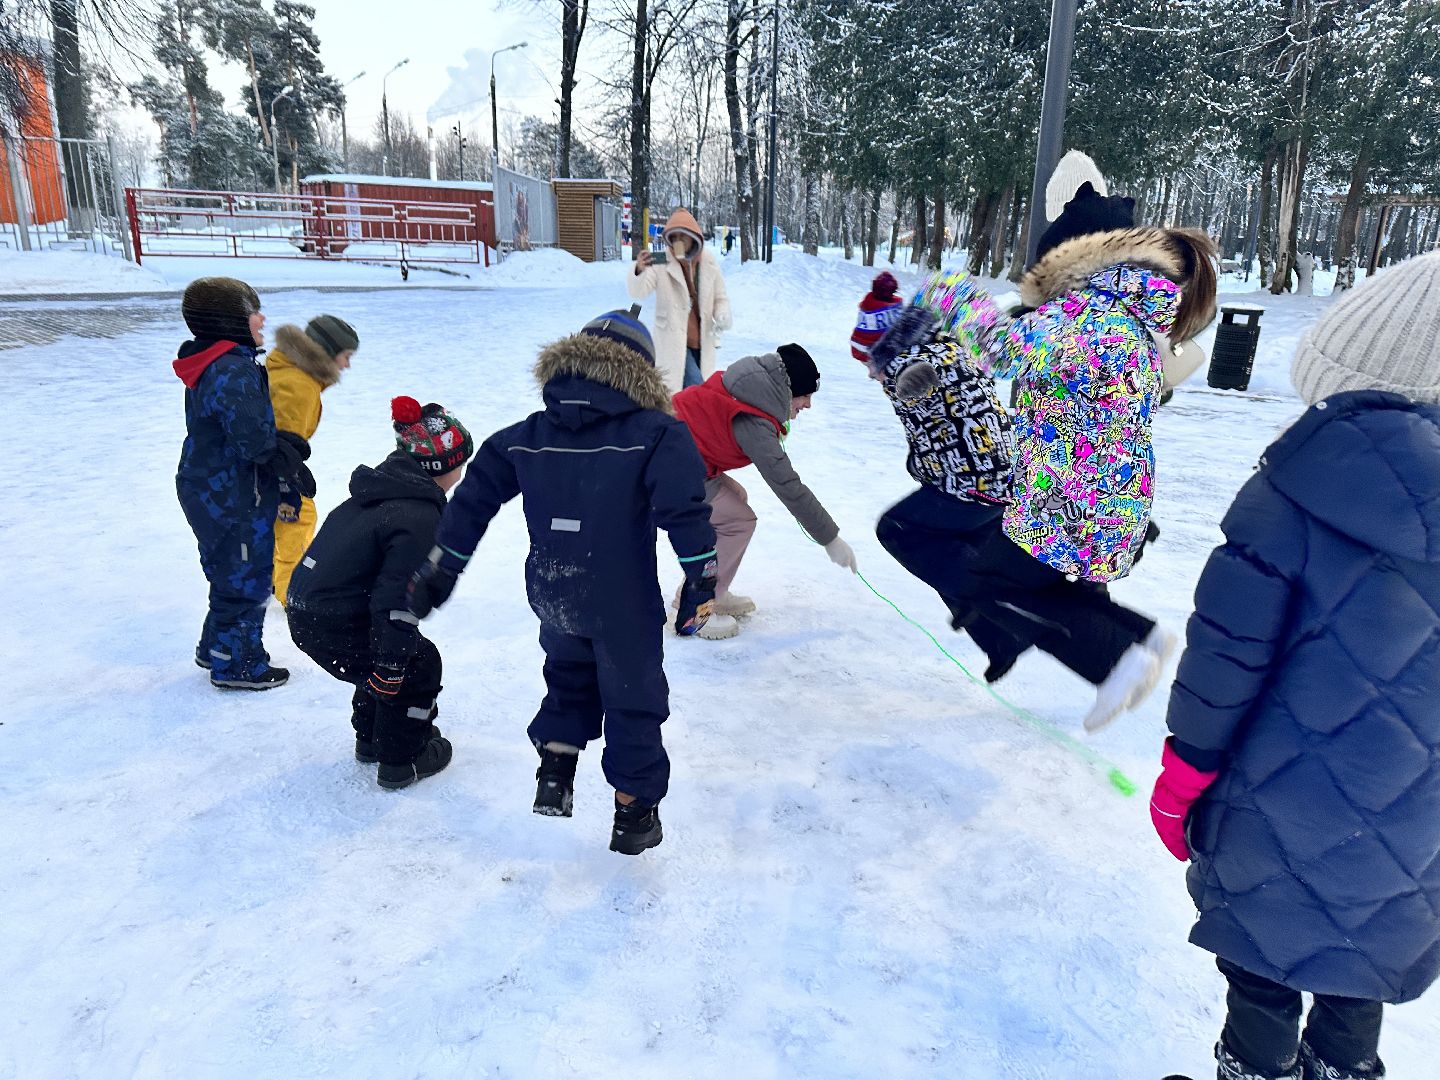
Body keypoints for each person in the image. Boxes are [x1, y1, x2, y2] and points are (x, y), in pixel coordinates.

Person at [1151, 251, 1440, 1080]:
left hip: (1280, 801)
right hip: (1419, 824)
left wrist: (1184, 775)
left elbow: (1227, 652)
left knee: (1266, 963)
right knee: (1365, 964)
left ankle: (1255, 1068)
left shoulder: (1296, 486)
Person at [406, 309, 716, 855]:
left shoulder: (526, 436)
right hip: (622, 601)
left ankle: (555, 771)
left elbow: (474, 497)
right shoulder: (658, 433)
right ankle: (634, 815)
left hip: (554, 591)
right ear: (640, 373)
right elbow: (684, 512)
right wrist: (702, 581)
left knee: (569, 675)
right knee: (632, 699)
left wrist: (442, 567)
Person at [908, 191, 1219, 730]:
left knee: (991, 583)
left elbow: (996, 348)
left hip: (1070, 500)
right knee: (1044, 584)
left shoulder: (1083, 320)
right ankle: (1137, 636)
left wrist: (950, 292)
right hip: (1101, 495)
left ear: (1072, 261)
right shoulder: (1126, 320)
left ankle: (1115, 658)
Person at [286, 397, 472, 789]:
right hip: (332, 617)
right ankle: (403, 759)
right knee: (415, 664)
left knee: (379, 657)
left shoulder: (382, 492)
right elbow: (397, 599)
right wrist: (392, 663)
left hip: (310, 610)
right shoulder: (419, 516)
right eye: (461, 461)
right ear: (445, 466)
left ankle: (371, 740)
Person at [853, 278, 1029, 681]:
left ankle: (1005, 616)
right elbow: (933, 438)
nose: (868, 375)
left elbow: (928, 388)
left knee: (900, 531)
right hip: (990, 475)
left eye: (866, 361)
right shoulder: (942, 348)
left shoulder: (912, 364)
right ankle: (997, 638)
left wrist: (908, 381)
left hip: (979, 482)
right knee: (946, 553)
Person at [173, 276, 313, 691]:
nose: (262, 318)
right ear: (229, 320)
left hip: (210, 484)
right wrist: (284, 455)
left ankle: (215, 645)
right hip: (233, 491)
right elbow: (251, 440)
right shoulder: (232, 369)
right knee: (247, 575)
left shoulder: (217, 360)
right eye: (253, 311)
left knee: (229, 570)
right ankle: (238, 663)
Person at [671, 344, 856, 640]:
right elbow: (787, 485)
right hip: (670, 467)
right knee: (738, 520)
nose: (807, 404)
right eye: (804, 395)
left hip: (679, 458)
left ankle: (715, 588)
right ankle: (696, 608)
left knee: (737, 499)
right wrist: (829, 537)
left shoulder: (751, 390)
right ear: (787, 391)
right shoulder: (754, 419)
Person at [267, 314, 359, 604]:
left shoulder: (291, 371)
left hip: (265, 471)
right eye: (346, 356)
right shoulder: (298, 385)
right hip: (271, 474)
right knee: (297, 521)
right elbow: (278, 445)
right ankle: (293, 596)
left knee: (282, 525)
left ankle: (274, 583)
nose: (347, 365)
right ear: (327, 352)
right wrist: (286, 487)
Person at [627, 208, 733, 393]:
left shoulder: (708, 262)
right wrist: (639, 270)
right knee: (697, 389)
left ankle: (681, 420)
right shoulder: (660, 259)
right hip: (673, 340)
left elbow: (720, 297)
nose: (678, 242)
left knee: (691, 393)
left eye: (682, 236)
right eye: (673, 237)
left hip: (702, 340)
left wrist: (722, 315)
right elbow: (638, 292)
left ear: (694, 237)